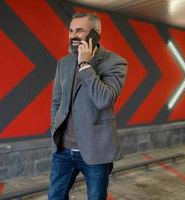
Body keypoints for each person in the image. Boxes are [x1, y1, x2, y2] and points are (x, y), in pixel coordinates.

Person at [49, 12, 128, 200]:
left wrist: (84, 64)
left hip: (96, 150)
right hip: (63, 150)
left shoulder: (115, 62)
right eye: (70, 31)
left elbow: (104, 99)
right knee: (55, 197)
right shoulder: (64, 63)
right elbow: (57, 101)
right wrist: (54, 126)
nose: (73, 35)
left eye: (79, 30)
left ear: (96, 32)